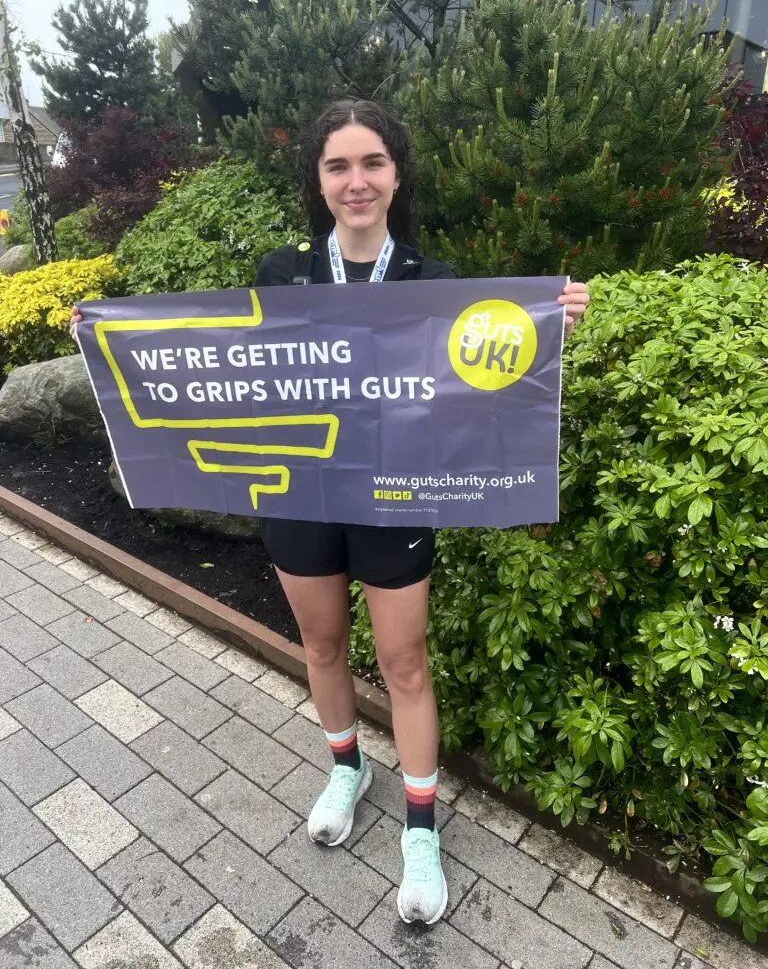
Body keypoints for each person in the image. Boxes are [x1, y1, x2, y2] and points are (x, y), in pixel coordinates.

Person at [70, 98, 590, 926]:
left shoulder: (434, 282)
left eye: (372, 163)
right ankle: (348, 767)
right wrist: (110, 336)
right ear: (318, 180)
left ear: (396, 174)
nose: (357, 181)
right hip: (301, 493)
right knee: (320, 643)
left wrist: (546, 327)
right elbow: (227, 367)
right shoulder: (283, 273)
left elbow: (483, 388)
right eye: (338, 166)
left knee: (405, 662)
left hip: (393, 500)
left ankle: (421, 828)